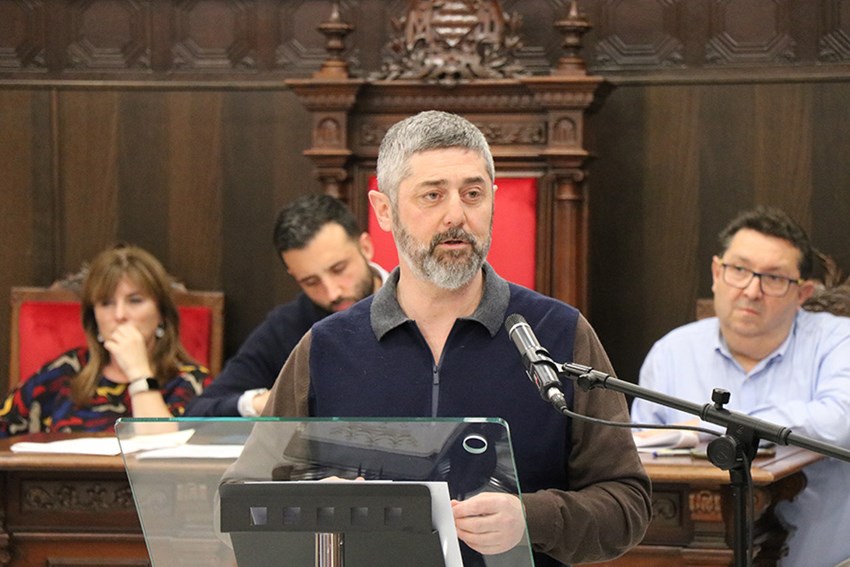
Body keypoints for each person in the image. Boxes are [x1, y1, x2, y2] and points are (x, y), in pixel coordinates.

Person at [259, 110, 652, 566]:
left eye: (473, 194)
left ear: (493, 200)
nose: (456, 216)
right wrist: (311, 504)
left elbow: (627, 504)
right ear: (384, 210)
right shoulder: (326, 347)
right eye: (432, 195)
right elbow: (245, 494)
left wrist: (531, 518)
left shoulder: (559, 333)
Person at [631, 206, 850, 567]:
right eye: (739, 270)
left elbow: (838, 422)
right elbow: (641, 458)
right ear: (717, 273)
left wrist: (713, 427)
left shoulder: (838, 340)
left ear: (803, 293)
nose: (751, 290)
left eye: (773, 278)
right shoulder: (671, 353)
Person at [185, 194, 388, 417]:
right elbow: (198, 412)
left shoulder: (413, 302)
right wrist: (261, 403)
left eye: (338, 269)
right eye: (311, 282)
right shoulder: (287, 325)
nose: (332, 293)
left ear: (365, 247)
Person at [0, 244, 212, 437]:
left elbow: (162, 456)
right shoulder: (65, 372)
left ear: (162, 313)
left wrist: (139, 373)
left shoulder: (191, 382)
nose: (119, 315)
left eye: (135, 301)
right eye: (106, 303)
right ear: (94, 317)